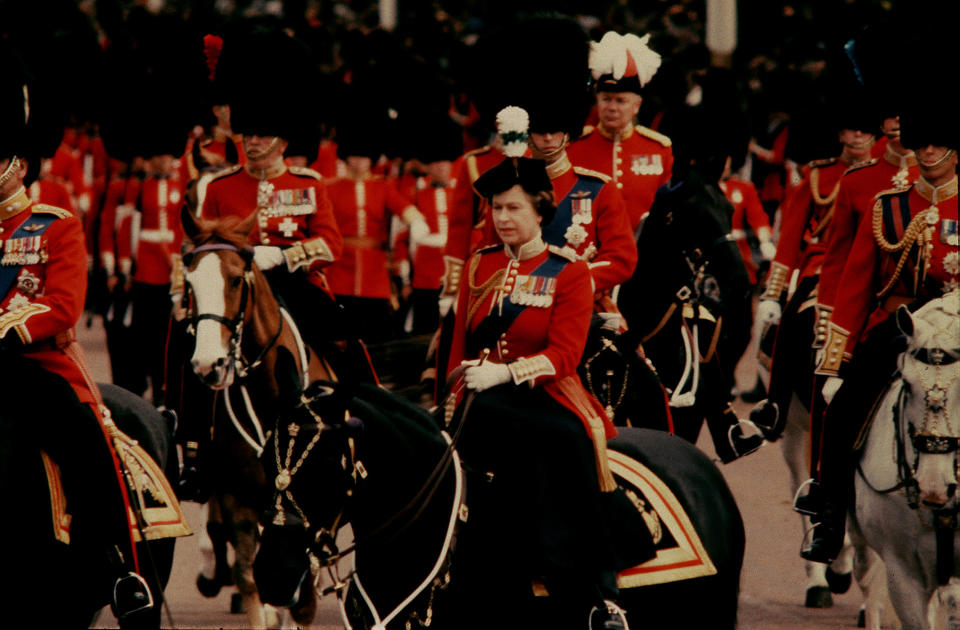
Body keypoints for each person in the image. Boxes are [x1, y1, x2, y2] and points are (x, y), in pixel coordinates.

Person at [445, 151, 651, 630]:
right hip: (480, 397)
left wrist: (504, 374)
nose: (502, 218)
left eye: (513, 208)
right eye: (496, 208)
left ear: (540, 212)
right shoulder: (479, 266)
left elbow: (564, 356)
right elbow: (458, 342)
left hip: (546, 394)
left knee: (570, 444)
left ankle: (600, 591)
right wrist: (453, 393)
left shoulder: (569, 271)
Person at [0, 48, 154, 621]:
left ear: (19, 161)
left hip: (35, 368)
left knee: (88, 445)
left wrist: (6, 328)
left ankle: (117, 565)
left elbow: (62, 305)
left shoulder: (55, 226)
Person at [801, 93, 959, 563]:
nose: (928, 152)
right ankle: (828, 513)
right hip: (898, 325)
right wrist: (834, 361)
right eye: (922, 144)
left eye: (938, 144)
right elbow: (854, 285)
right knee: (846, 404)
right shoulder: (886, 207)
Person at [750, 87, 877, 439]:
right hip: (821, 267)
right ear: (841, 134)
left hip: (873, 268)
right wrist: (773, 295)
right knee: (793, 323)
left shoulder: (886, 176)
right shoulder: (819, 176)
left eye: (865, 130)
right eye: (853, 130)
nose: (859, 135)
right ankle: (775, 404)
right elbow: (789, 239)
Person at [323, 91, 432, 345]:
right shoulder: (330, 188)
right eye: (355, 156)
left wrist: (416, 221)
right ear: (346, 156)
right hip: (339, 269)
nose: (360, 162)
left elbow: (403, 207)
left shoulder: (382, 188)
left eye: (364, 157)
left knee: (375, 335)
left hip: (375, 273)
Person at [567, 30, 674, 232]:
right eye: (606, 99)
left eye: (621, 101)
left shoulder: (659, 150)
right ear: (597, 101)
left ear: (636, 105)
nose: (612, 107)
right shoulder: (574, 146)